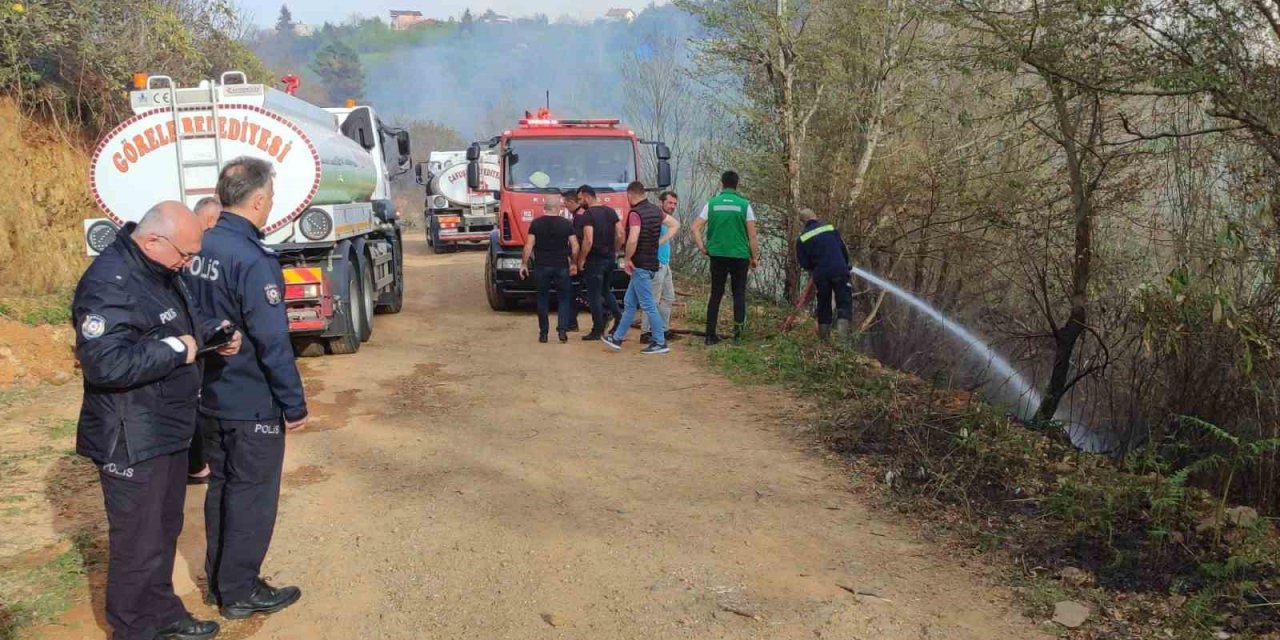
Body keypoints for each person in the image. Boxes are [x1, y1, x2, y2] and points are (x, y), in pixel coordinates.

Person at [72, 200, 241, 640]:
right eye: (185, 255)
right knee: (137, 543)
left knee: (164, 530)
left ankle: (162, 612)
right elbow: (104, 363)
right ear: (152, 241)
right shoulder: (108, 284)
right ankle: (133, 629)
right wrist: (175, 349)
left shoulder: (161, 270)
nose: (188, 264)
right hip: (130, 435)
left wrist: (211, 334)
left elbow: (177, 322)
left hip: (164, 427)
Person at [183, 157, 307, 620]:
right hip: (251, 400)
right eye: (270, 198)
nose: (270, 204)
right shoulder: (253, 259)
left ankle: (220, 582)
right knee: (252, 494)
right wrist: (293, 404)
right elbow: (273, 340)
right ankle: (240, 591)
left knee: (222, 489)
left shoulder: (199, 246)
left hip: (210, 394)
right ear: (257, 201)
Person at [692, 171, 759, 345]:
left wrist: (702, 248)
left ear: (721, 184)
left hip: (717, 255)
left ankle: (709, 335)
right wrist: (754, 257)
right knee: (738, 295)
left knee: (716, 294)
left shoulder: (712, 204)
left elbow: (695, 228)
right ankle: (738, 336)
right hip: (739, 256)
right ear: (737, 184)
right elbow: (752, 236)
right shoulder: (745, 205)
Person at [602, 182, 668, 354]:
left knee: (648, 304)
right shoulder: (656, 210)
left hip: (640, 265)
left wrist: (628, 259)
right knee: (630, 303)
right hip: (651, 263)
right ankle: (617, 338)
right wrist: (659, 242)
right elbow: (675, 224)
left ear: (630, 195)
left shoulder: (635, 213)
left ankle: (660, 341)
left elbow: (632, 239)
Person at [188, 195, 222, 486]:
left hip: (191, 337)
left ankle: (196, 463)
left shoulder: (183, 250)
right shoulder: (213, 251)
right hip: (201, 338)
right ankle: (198, 464)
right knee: (197, 401)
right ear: (211, 220)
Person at [522, 207, 580, 343]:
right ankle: (562, 331)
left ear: (544, 207)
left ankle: (543, 333)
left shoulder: (536, 223)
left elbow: (529, 245)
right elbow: (575, 245)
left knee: (542, 299)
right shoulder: (566, 223)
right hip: (561, 266)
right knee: (564, 299)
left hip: (542, 266)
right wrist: (573, 262)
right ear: (558, 209)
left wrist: (524, 264)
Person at [795, 208, 854, 342]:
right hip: (840, 271)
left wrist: (814, 269)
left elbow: (804, 263)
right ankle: (843, 342)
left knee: (824, 305)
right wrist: (846, 265)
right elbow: (843, 250)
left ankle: (824, 340)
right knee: (844, 304)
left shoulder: (802, 238)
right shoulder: (830, 229)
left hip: (821, 275)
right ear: (815, 217)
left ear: (802, 222)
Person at [575, 185, 623, 340]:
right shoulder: (610, 211)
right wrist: (614, 250)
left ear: (587, 196)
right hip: (609, 258)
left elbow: (588, 240)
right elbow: (621, 233)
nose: (579, 202)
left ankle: (597, 329)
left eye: (580, 199)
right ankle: (619, 318)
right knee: (606, 291)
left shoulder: (588, 215)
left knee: (594, 295)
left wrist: (581, 259)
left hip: (595, 260)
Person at [641, 191, 681, 344]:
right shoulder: (657, 218)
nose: (672, 206)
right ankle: (646, 332)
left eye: (674, 204)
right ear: (661, 202)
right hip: (656, 263)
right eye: (670, 203)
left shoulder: (667, 219)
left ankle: (664, 329)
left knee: (668, 297)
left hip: (665, 263)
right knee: (652, 299)